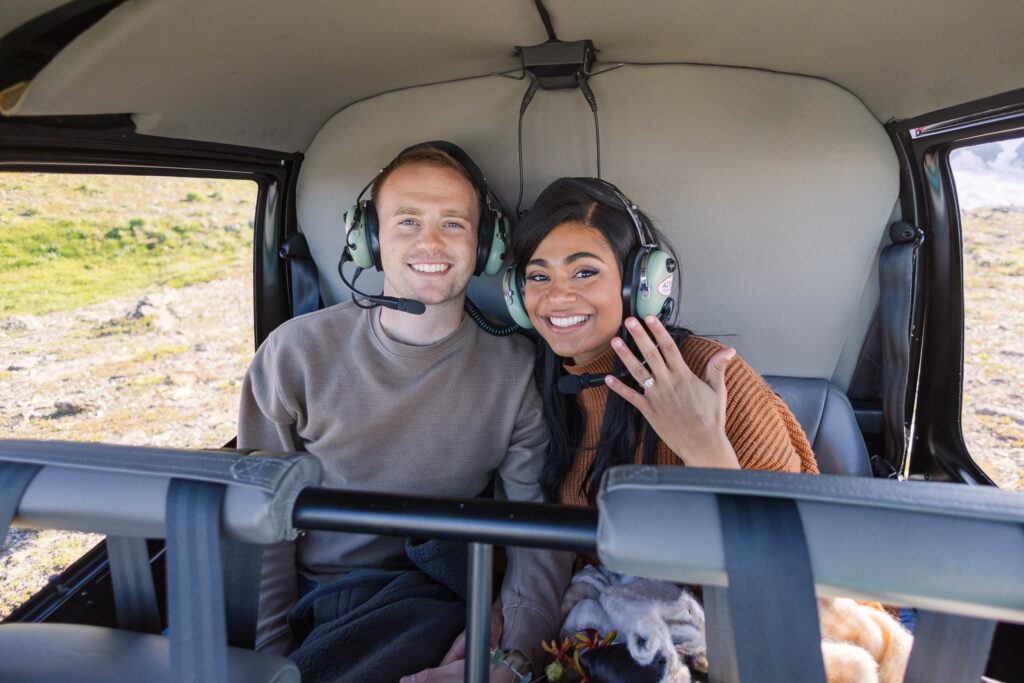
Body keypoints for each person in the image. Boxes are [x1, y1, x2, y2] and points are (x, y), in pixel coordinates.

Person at [238, 143, 571, 681]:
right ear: (368, 239)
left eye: (454, 224)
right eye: (408, 220)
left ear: (485, 245)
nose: (431, 243)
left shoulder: (520, 368)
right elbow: (260, 525)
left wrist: (513, 655)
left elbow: (532, 532)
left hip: (441, 599)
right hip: (321, 599)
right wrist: (270, 660)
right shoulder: (293, 353)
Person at [505, 177, 818, 510]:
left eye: (584, 272)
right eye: (539, 277)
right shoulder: (535, 384)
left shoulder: (707, 376)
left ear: (642, 285)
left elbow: (791, 543)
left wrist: (705, 447)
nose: (556, 297)